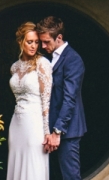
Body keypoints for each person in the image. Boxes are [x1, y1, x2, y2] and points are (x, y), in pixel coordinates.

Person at [36, 16, 86, 180]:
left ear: (59, 38)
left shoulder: (73, 60)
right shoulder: (51, 58)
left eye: (46, 42)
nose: (43, 46)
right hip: (49, 129)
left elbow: (69, 98)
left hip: (67, 130)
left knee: (70, 177)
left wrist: (57, 131)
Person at [7, 22, 53, 180]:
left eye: (36, 42)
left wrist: (47, 132)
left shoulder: (42, 64)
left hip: (35, 124)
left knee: (33, 167)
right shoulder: (14, 67)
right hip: (16, 124)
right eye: (29, 42)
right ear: (20, 42)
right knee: (16, 164)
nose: (34, 46)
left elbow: (46, 102)